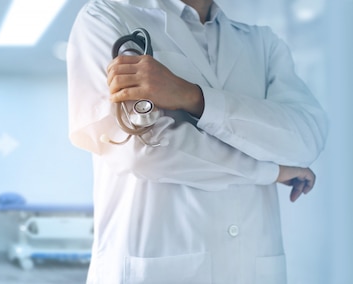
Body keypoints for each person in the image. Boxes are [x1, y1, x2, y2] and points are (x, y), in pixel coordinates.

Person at [66, 0, 329, 283]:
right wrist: (271, 170)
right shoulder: (106, 17)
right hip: (153, 268)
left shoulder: (263, 43)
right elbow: (142, 152)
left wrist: (193, 97)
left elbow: (307, 137)